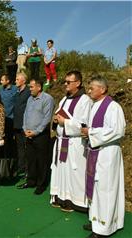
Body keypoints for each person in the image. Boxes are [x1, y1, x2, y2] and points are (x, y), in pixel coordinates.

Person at [80, 75, 125, 238]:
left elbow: (118, 130)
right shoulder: (95, 105)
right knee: (97, 188)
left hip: (107, 154)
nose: (89, 90)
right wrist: (87, 134)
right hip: (96, 152)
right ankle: (96, 220)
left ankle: (104, 229)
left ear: (103, 89)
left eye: (92, 88)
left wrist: (90, 132)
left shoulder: (113, 107)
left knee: (105, 189)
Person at [50, 71, 93, 212]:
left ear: (78, 83)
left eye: (69, 82)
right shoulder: (64, 99)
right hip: (61, 141)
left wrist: (65, 122)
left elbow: (84, 124)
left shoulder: (85, 100)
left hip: (75, 144)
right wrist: (56, 119)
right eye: (65, 81)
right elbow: (58, 114)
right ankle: (61, 197)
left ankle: (76, 202)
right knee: (61, 171)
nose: (65, 84)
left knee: (75, 173)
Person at [18, 79, 54, 195]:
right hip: (28, 134)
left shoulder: (47, 99)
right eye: (29, 87)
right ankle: (31, 181)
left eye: (32, 87)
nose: (30, 89)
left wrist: (36, 132)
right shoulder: (30, 99)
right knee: (31, 159)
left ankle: (41, 184)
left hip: (41, 136)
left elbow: (47, 119)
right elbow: (25, 115)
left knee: (41, 161)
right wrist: (24, 128)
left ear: (39, 87)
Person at [13, 72, 31, 176]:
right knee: (19, 147)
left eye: (17, 79)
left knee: (27, 147)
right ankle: (21, 167)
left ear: (23, 81)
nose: (15, 81)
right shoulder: (17, 92)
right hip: (17, 124)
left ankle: (28, 169)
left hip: (25, 125)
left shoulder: (28, 92)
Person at [0, 74, 18, 165]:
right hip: (2, 119)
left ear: (8, 81)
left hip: (12, 119)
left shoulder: (15, 89)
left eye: (2, 80)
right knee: (4, 141)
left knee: (11, 141)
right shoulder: (1, 90)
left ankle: (13, 161)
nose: (1, 82)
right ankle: (5, 161)